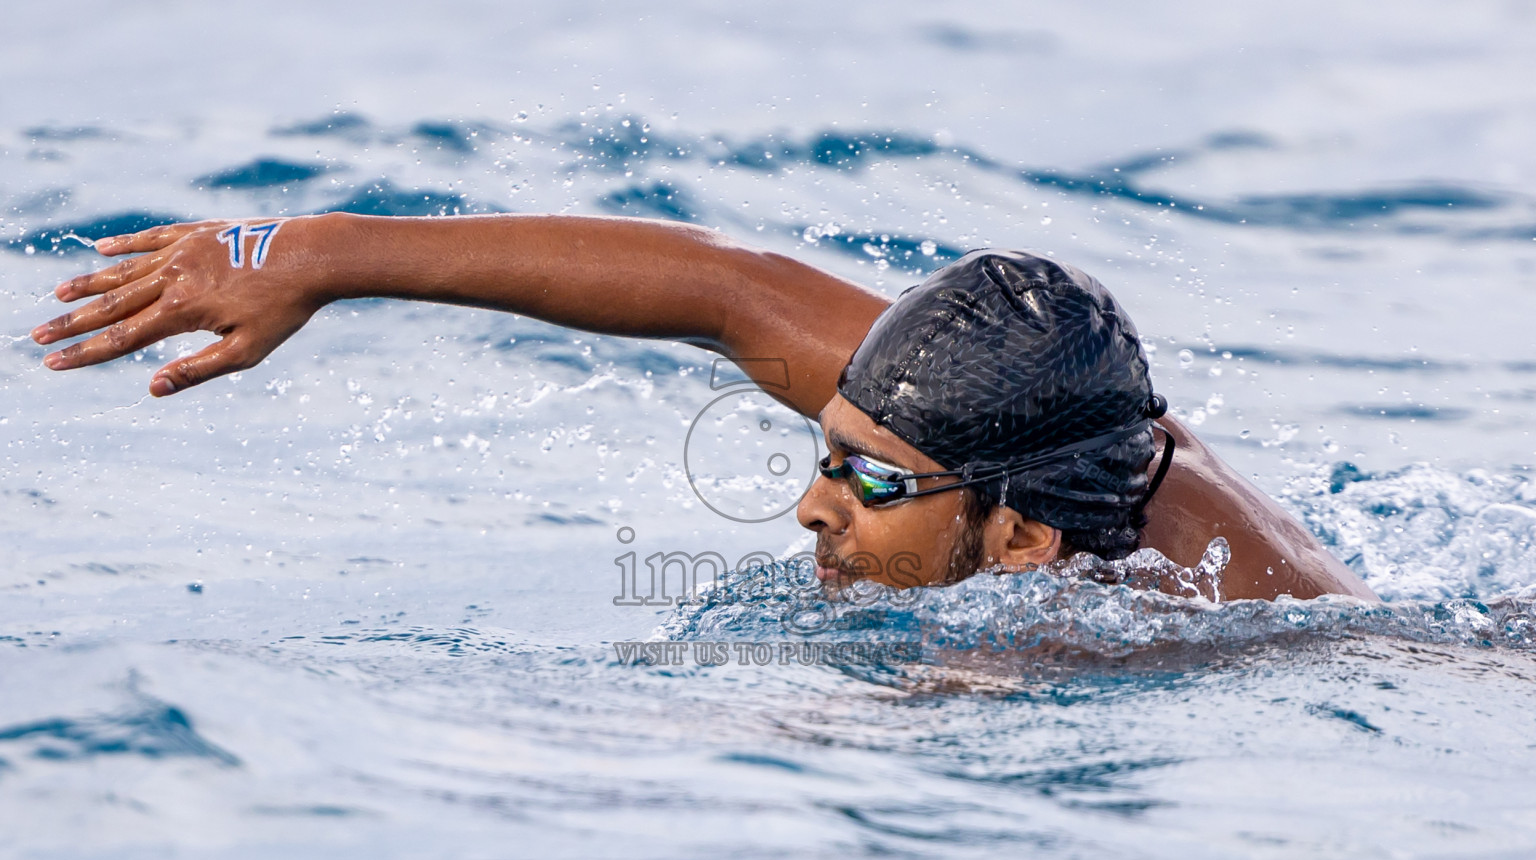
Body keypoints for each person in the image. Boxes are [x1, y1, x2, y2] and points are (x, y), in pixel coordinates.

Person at [29, 213, 1375, 602]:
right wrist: (320, 255)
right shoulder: (977, 408)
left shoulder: (1135, 622)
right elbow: (725, 288)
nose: (812, 504)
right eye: (827, 454)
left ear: (1021, 540)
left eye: (868, 488)